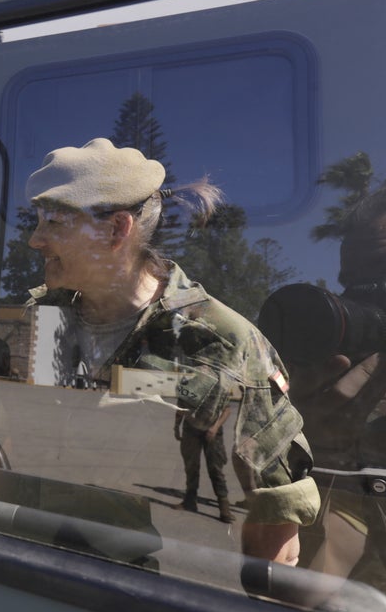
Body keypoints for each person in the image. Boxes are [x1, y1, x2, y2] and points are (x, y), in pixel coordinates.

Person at [23, 138, 318, 565]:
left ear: (116, 230)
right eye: (37, 219)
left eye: (54, 221)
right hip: (29, 569)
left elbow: (274, 546)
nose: (35, 239)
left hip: (158, 594)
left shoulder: (222, 343)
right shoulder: (47, 317)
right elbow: (13, 450)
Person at [281, 181, 386, 605]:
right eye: (355, 284)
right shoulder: (368, 408)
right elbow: (308, 593)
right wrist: (314, 449)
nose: (374, 298)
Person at [174, 401, 234, 522]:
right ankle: (190, 501)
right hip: (191, 430)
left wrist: (215, 428)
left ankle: (224, 508)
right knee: (191, 467)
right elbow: (181, 407)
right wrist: (176, 426)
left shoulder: (218, 385)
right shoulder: (188, 384)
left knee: (215, 469)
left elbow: (227, 410)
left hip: (212, 431)